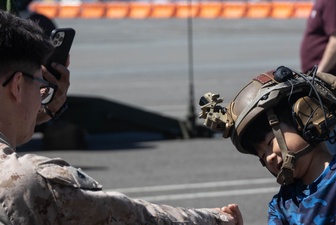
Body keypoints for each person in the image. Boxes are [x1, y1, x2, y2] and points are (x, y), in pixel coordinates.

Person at [0, 10, 243, 225]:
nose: (43, 95)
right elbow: (132, 217)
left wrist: (42, 112)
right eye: (40, 85)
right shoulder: (27, 184)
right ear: (18, 86)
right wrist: (218, 220)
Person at [199, 66, 336, 224]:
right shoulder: (281, 204)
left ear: (304, 119)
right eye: (261, 155)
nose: (268, 158)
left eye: (269, 143)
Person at [300, 0, 336, 161]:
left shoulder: (333, 2)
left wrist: (317, 75)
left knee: (332, 143)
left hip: (330, 84)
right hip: (327, 83)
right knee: (333, 141)